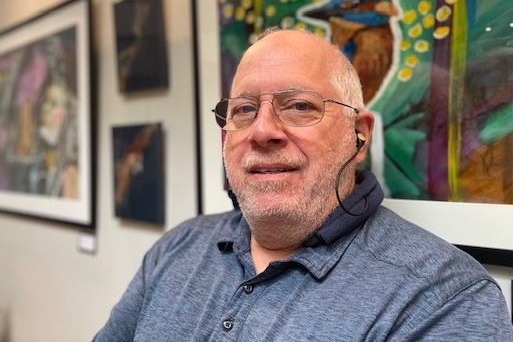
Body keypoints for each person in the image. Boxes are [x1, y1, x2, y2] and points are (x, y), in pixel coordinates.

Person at [94, 28, 513, 341]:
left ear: (359, 134)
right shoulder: (175, 249)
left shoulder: (444, 299)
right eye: (243, 110)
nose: (262, 132)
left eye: (298, 106)